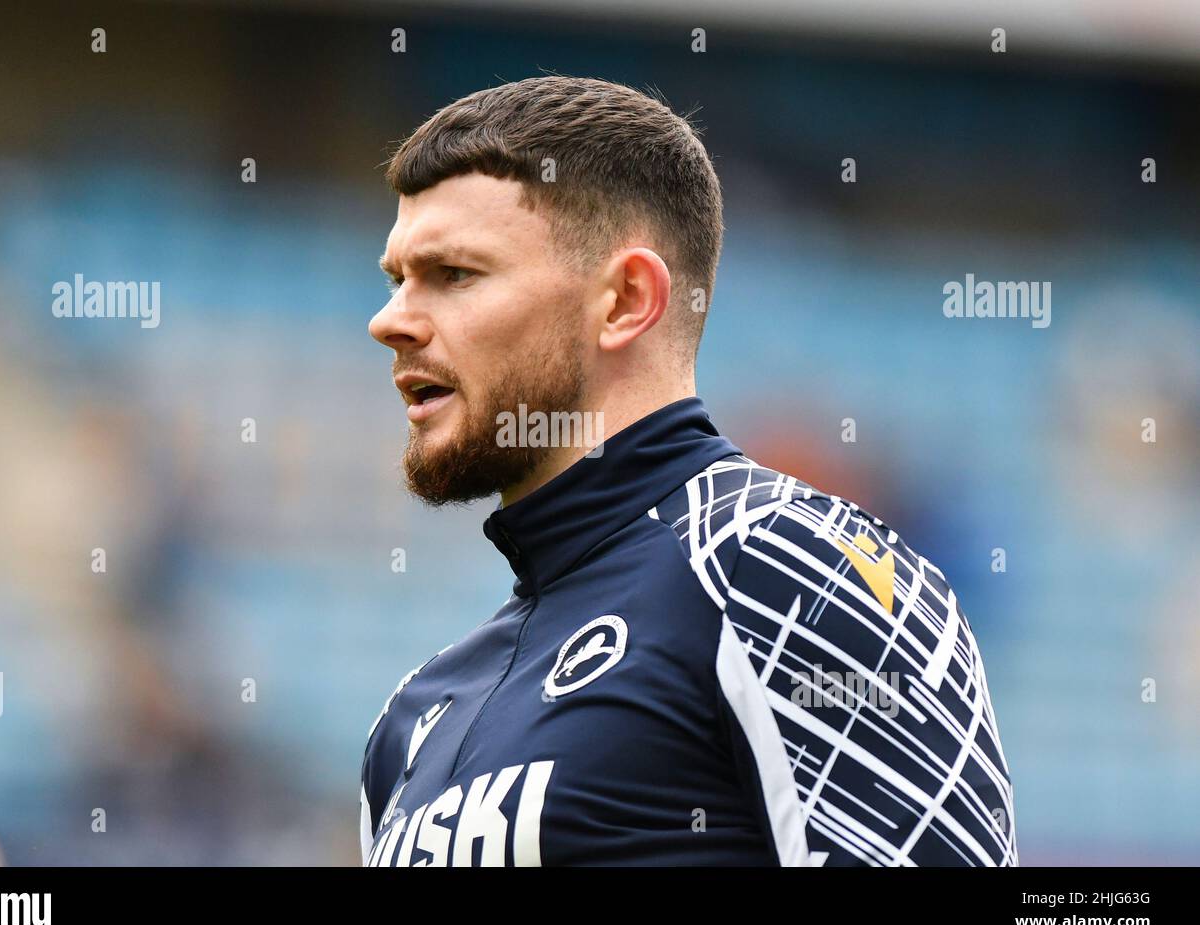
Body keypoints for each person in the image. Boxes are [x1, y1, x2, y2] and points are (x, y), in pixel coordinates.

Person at [360, 75, 1017, 866]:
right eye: (398, 279)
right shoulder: (412, 719)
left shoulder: (785, 567)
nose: (389, 321)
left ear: (627, 300)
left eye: (454, 275)